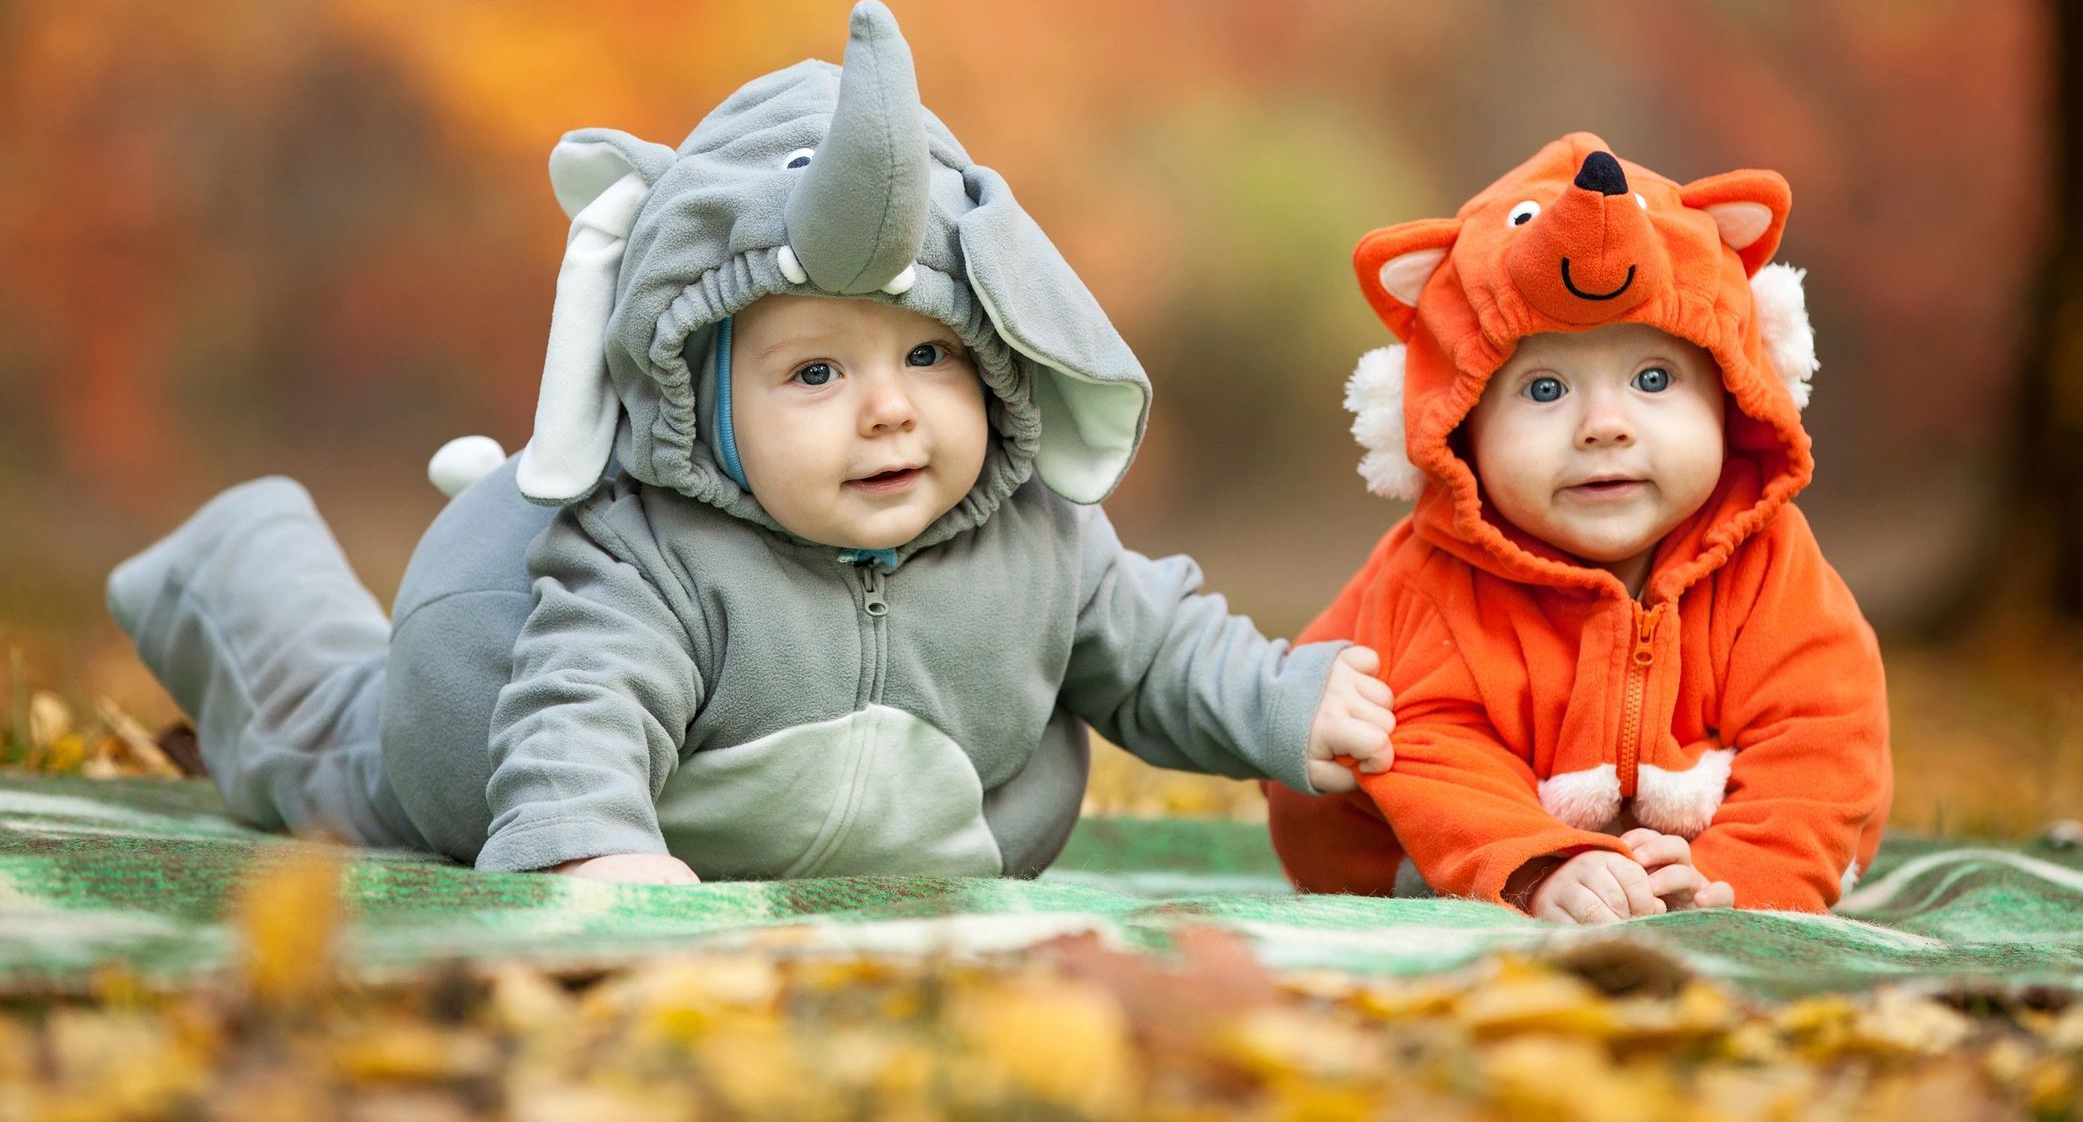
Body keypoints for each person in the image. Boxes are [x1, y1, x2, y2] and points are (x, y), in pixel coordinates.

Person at [105, 2, 1393, 884]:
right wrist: (587, 842)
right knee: (317, 740)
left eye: (930, 356)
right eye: (815, 371)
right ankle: (238, 563)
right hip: (475, 728)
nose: (888, 409)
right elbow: (581, 701)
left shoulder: (1040, 540)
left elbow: (1159, 649)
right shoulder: (652, 550)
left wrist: (1280, 701)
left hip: (889, 829)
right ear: (708, 405)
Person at [1265, 133, 1890, 923]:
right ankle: (1477, 888)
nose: (1603, 426)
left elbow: (1823, 736)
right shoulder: (1431, 580)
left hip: (1696, 846)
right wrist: (1538, 869)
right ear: (1461, 428)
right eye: (1544, 388)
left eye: (1652, 379)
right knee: (1369, 736)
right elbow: (1427, 743)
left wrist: (1736, 881)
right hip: (1409, 848)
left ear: (1733, 397)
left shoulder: (1770, 565)